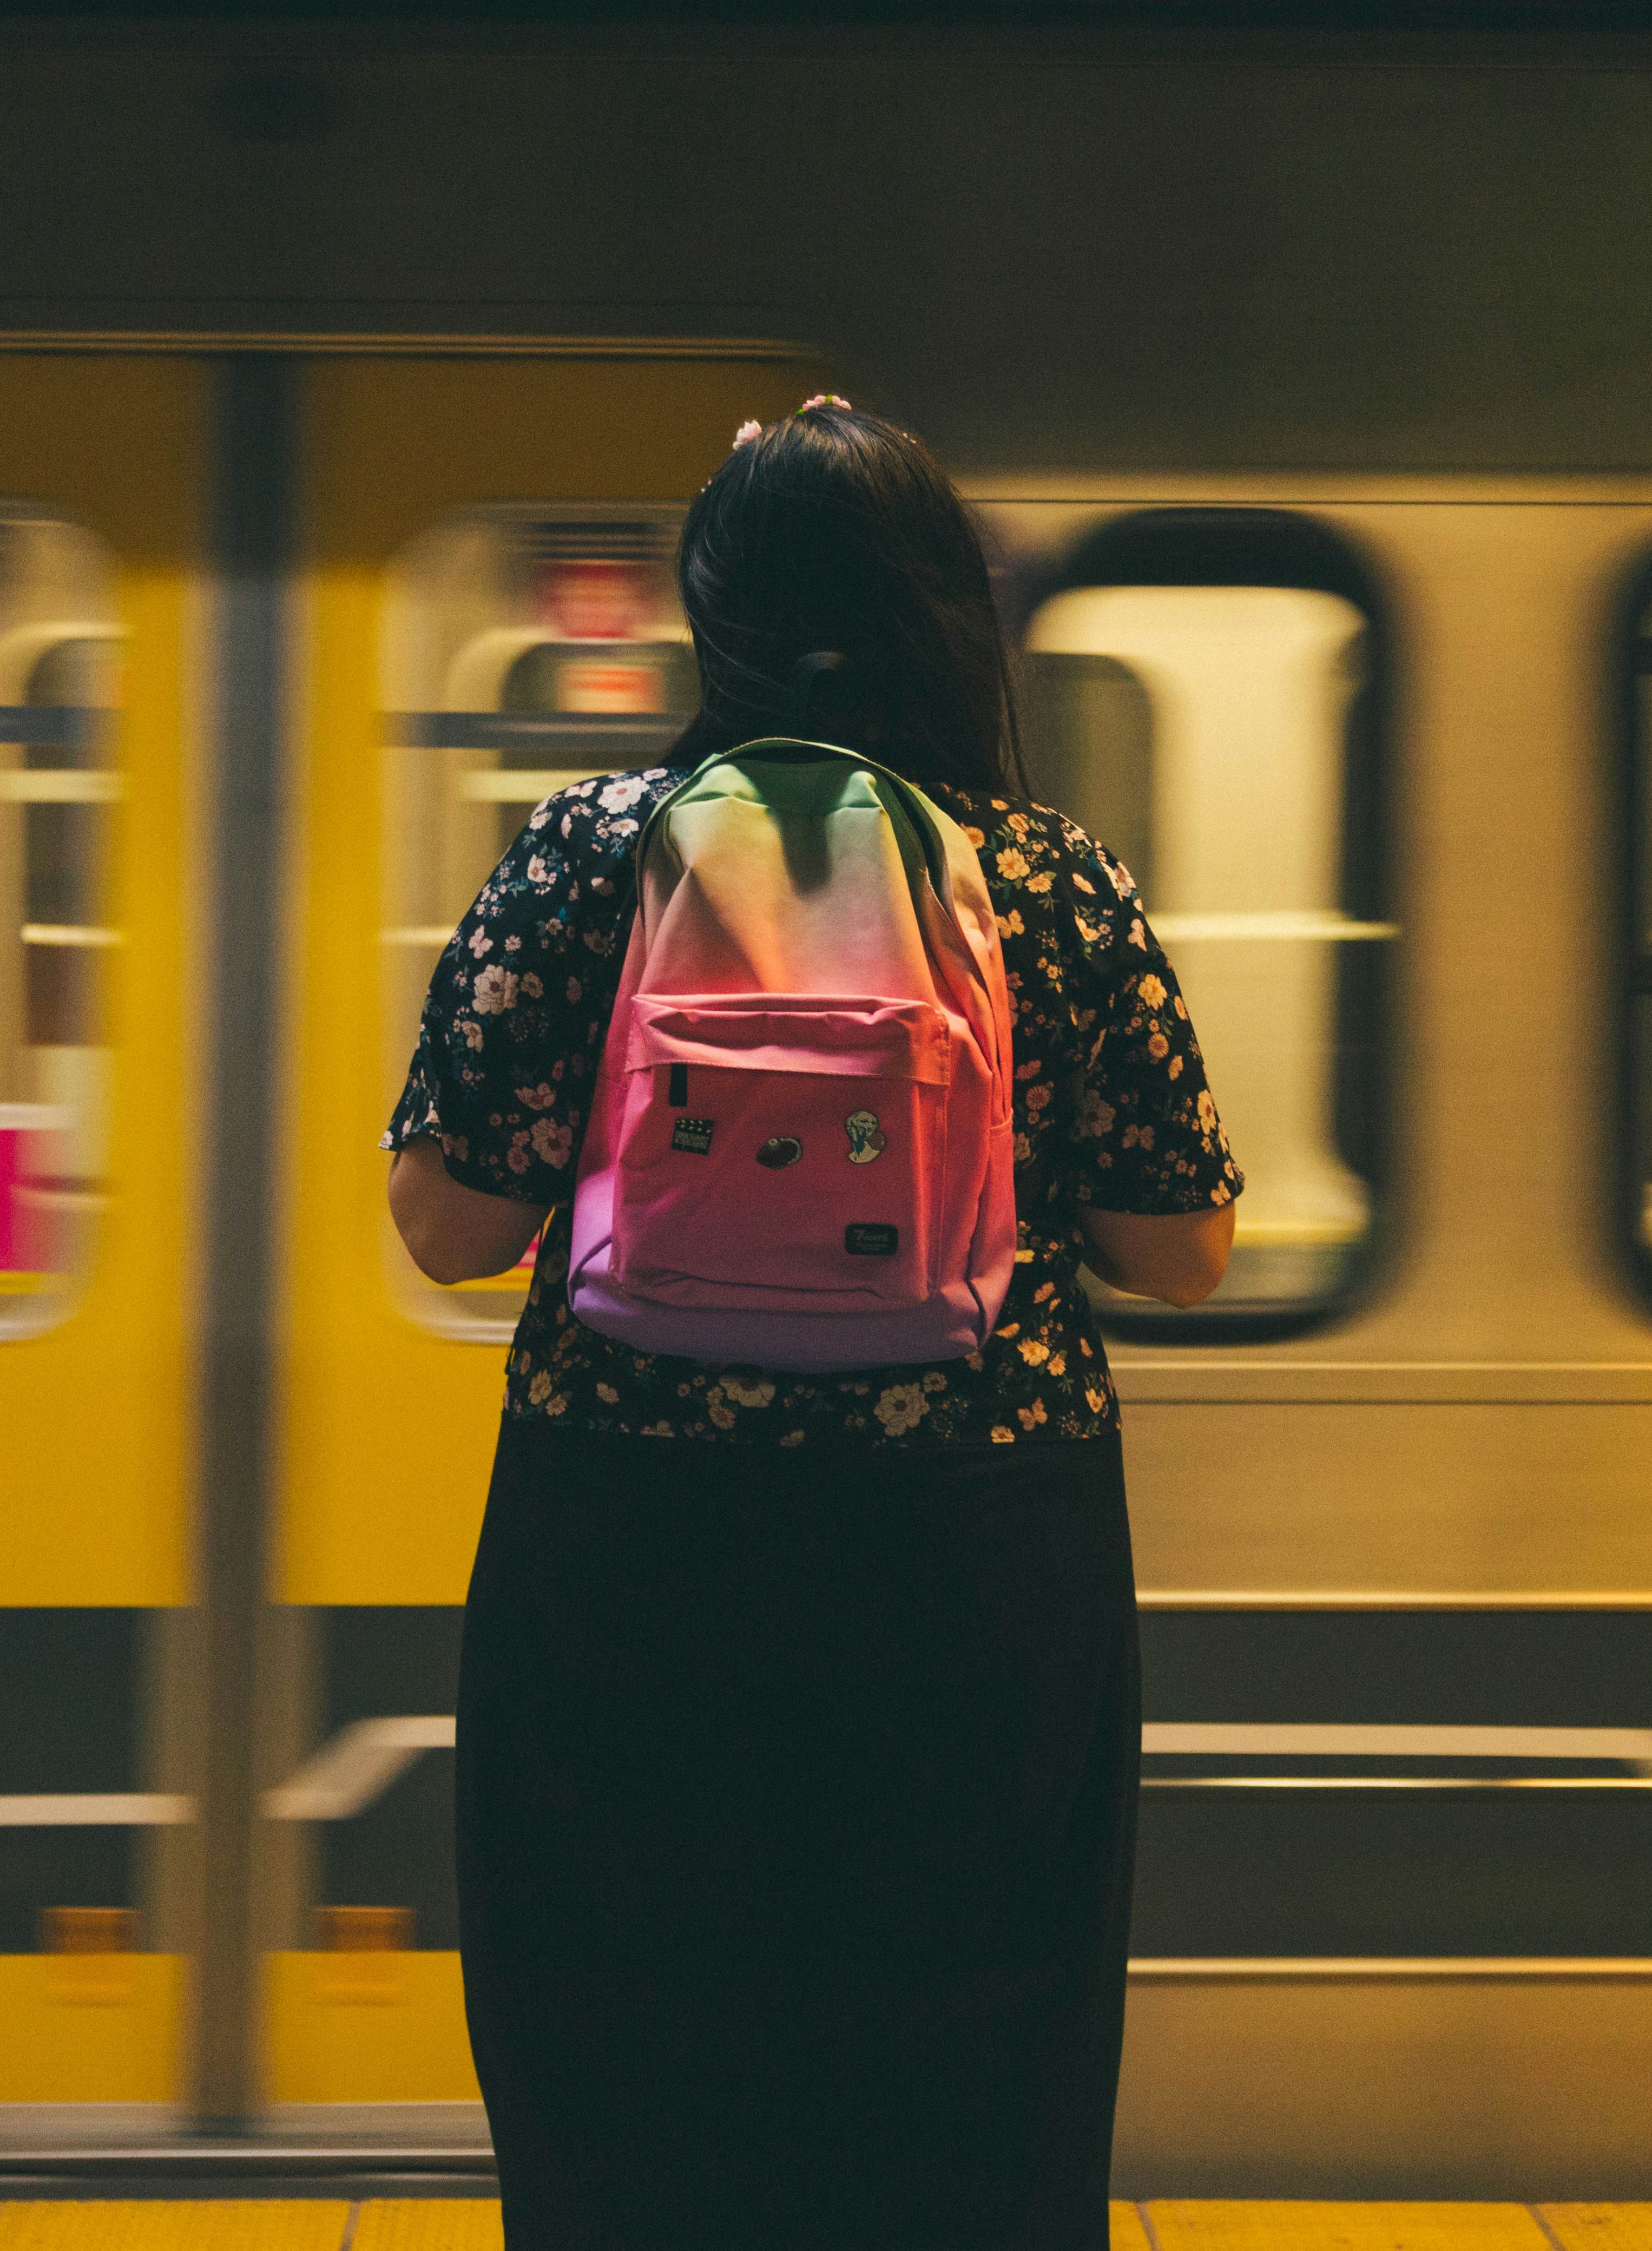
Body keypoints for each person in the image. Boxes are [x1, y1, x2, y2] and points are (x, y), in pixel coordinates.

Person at [381, 397, 1242, 2251]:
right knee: (966, 2077)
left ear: (716, 618)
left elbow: (448, 1224)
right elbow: (1184, 1248)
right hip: (973, 1574)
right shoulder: (1047, 880)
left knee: (624, 2057)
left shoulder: (587, 857)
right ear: (949, 614)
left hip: (631, 1558)